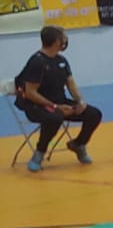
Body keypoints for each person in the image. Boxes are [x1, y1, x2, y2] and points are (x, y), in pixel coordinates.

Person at [13, 26, 100, 173]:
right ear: (56, 42)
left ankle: (78, 144)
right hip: (36, 106)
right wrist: (55, 106)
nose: (65, 41)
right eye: (63, 38)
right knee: (55, 117)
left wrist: (80, 102)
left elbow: (71, 84)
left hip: (60, 103)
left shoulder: (62, 61)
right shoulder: (37, 62)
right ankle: (39, 153)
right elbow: (30, 93)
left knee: (94, 114)